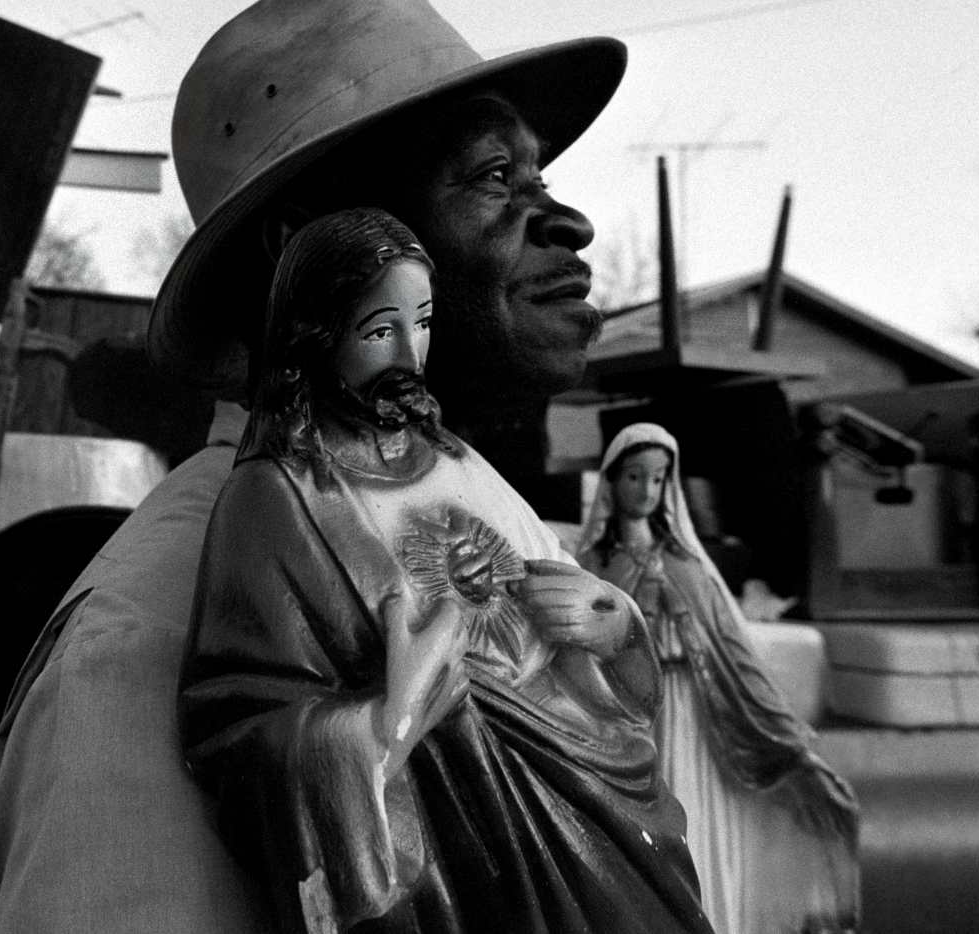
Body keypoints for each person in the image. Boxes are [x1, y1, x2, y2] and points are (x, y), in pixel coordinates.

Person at [0, 0, 631, 932]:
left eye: (543, 174)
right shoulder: (146, 651)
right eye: (496, 176)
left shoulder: (490, 517)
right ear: (309, 246)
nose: (569, 220)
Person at [181, 208, 706, 933]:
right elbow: (234, 731)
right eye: (378, 330)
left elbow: (571, 626)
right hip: (461, 846)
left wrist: (615, 622)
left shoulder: (455, 457)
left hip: (584, 789)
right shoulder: (275, 498)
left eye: (422, 322)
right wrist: (382, 727)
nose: (409, 352)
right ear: (315, 335)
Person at [576, 423, 860, 934]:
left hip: (693, 713)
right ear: (612, 483)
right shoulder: (594, 567)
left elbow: (734, 655)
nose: (645, 490)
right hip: (626, 720)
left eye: (658, 479)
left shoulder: (690, 569)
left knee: (693, 820)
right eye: (635, 476)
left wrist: (786, 735)